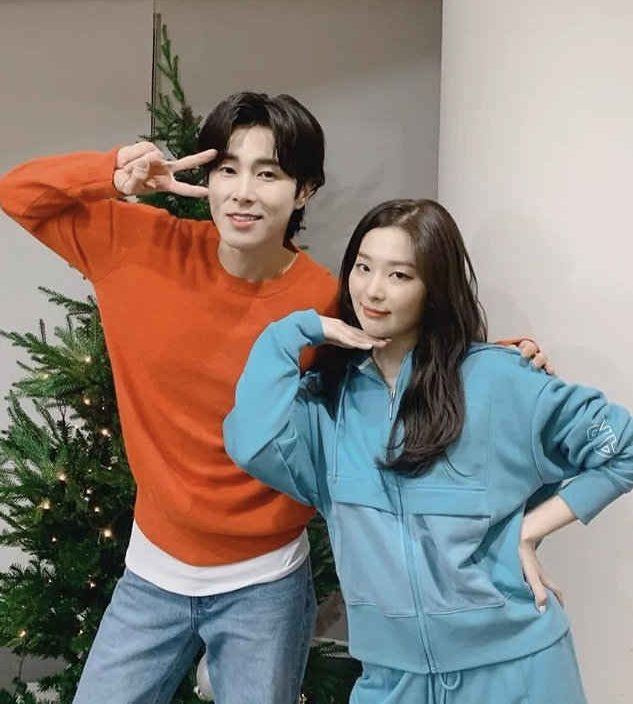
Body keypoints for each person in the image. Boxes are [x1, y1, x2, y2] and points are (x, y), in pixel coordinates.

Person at [0, 94, 548, 704]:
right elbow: (16, 193)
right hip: (152, 571)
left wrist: (496, 364)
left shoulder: (325, 303)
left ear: (303, 190)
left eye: (268, 174)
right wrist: (111, 172)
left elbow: (406, 369)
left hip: (266, 584)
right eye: (227, 169)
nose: (242, 193)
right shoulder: (135, 245)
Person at [225, 197, 633, 704]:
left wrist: (527, 532)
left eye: (399, 275)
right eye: (363, 267)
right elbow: (252, 444)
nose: (373, 289)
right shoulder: (328, 401)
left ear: (434, 289)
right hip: (392, 679)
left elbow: (623, 447)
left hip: (515, 671)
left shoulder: (497, 378)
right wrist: (288, 334)